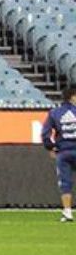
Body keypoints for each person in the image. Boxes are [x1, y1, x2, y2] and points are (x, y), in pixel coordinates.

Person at [44, 86, 76, 222]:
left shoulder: (55, 113)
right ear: (73, 97)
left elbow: (45, 134)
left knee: (65, 183)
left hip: (63, 152)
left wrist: (50, 147)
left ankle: (67, 212)